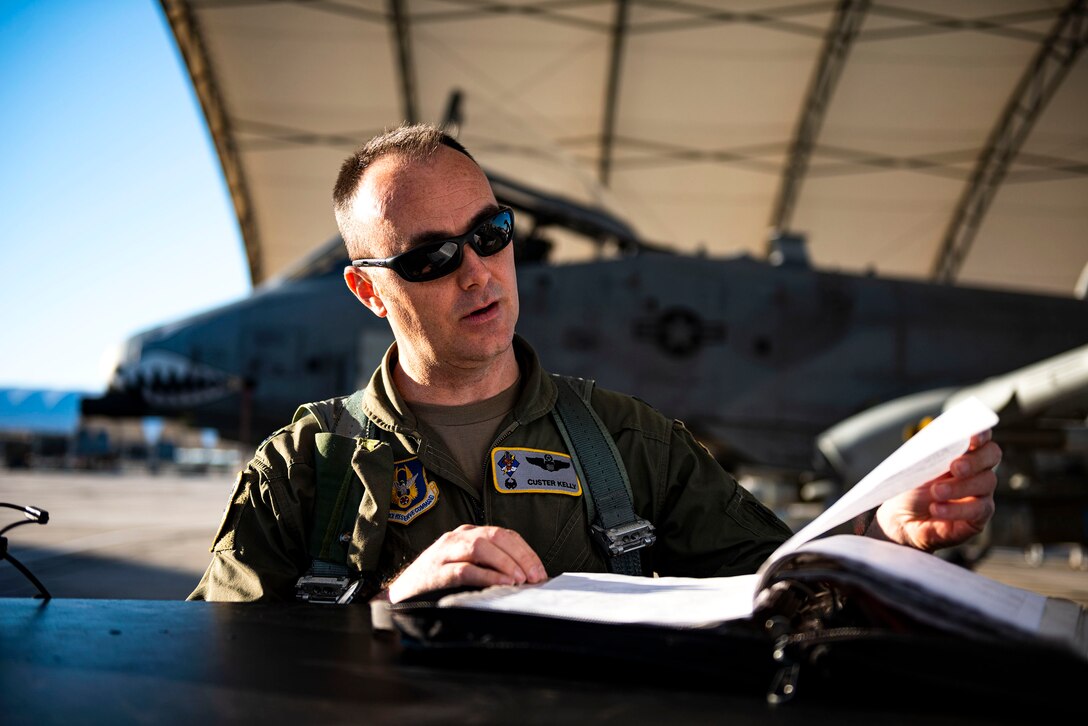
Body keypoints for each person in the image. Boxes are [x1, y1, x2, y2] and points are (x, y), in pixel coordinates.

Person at [189, 124, 1000, 604]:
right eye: (432, 257)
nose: (478, 273)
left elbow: (781, 586)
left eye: (491, 234)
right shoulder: (301, 471)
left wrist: (885, 535)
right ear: (368, 290)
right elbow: (204, 662)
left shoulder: (632, 444)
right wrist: (389, 604)